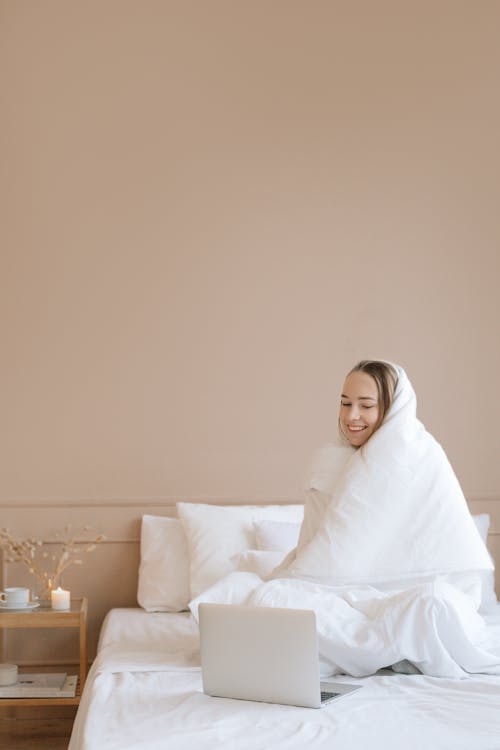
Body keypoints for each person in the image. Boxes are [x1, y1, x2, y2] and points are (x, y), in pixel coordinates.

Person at [338, 359, 398, 447]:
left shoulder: (410, 459)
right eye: (346, 403)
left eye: (366, 406)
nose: (351, 416)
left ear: (392, 408)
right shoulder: (334, 457)